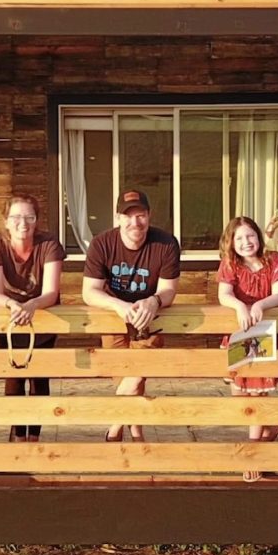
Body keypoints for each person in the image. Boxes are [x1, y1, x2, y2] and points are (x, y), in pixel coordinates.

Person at [82, 189, 180, 442]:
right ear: (117, 218)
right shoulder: (101, 243)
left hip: (151, 317)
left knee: (138, 370)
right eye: (128, 216)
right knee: (124, 374)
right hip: (113, 315)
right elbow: (89, 292)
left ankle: (113, 429)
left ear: (149, 216)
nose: (135, 222)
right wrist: (118, 306)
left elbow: (168, 290)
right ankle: (136, 429)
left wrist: (154, 301)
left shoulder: (166, 243)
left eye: (141, 215)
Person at [0, 193, 65, 442]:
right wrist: (12, 304)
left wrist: (32, 304)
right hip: (9, 316)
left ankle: (34, 439)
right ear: (6, 221)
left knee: (39, 378)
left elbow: (51, 291)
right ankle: (18, 437)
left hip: (42, 313)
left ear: (37, 220)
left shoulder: (49, 243)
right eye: (16, 217)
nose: (23, 223)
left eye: (29, 217)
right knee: (14, 377)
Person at [217, 216, 278, 482]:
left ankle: (254, 457)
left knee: (256, 396)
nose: (246, 243)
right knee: (240, 394)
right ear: (231, 243)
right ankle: (270, 428)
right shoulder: (231, 264)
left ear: (258, 237)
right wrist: (240, 307)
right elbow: (224, 294)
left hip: (264, 333)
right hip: (239, 333)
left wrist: (260, 305)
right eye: (239, 238)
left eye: (250, 236)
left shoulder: (274, 260)